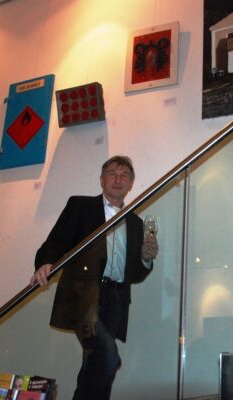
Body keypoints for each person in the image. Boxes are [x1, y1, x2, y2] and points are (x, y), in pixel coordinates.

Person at [30, 155, 158, 400]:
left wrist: (146, 259)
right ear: (101, 179)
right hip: (83, 295)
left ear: (131, 184)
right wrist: (45, 263)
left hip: (116, 299)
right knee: (108, 356)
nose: (118, 179)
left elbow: (134, 274)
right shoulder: (80, 206)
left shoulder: (135, 223)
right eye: (112, 173)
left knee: (95, 361)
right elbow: (56, 241)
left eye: (124, 175)